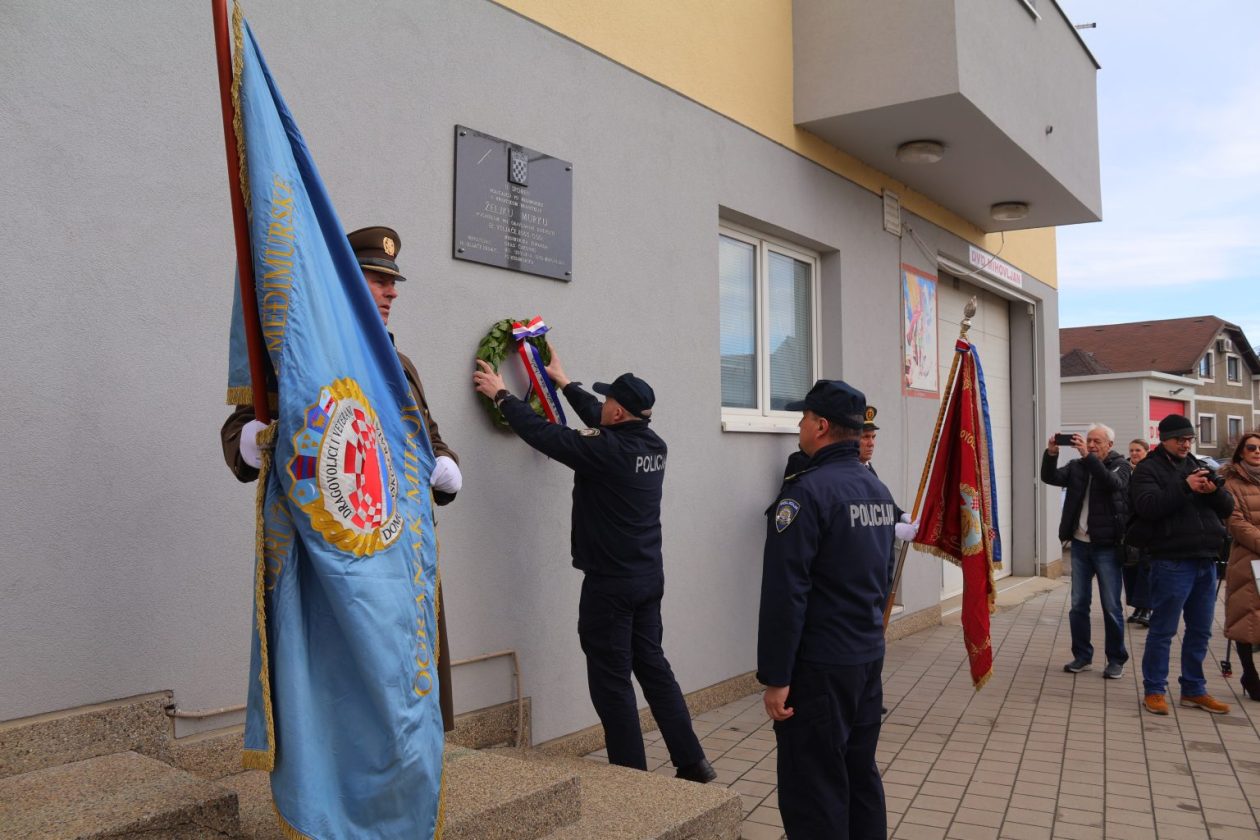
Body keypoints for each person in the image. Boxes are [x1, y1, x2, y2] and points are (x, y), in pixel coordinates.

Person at [221, 226, 464, 731]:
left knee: (408, 693)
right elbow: (237, 434)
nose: (392, 291)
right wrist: (263, 439)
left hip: (404, 560)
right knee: (345, 700)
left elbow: (428, 437)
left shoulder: (400, 365)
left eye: (393, 281)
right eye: (378, 279)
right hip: (340, 562)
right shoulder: (302, 358)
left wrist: (446, 466)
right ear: (345, 281)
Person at [470, 351, 715, 783]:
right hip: (647, 579)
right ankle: (693, 764)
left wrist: (503, 396)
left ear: (618, 411)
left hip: (611, 587)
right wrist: (564, 382)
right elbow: (597, 422)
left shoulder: (607, 452)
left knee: (611, 681)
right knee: (654, 668)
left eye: (607, 402)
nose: (601, 406)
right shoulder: (651, 444)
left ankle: (630, 781)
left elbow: (549, 436)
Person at [758, 379, 895, 839]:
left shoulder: (805, 495)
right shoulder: (877, 492)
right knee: (859, 772)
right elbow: (884, 575)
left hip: (819, 668)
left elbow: (785, 593)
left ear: (819, 426)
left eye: (802, 418)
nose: (798, 426)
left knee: (813, 787)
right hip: (864, 658)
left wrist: (776, 678)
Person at [1129, 414, 1235, 716]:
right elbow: (1148, 508)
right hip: (1170, 561)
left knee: (1201, 630)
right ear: (1164, 439)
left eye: (1189, 439)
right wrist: (1185, 487)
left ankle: (1193, 689)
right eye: (1180, 439)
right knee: (1163, 630)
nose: (1186, 444)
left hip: (1205, 560)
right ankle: (1154, 690)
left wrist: (1213, 492)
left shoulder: (1197, 465)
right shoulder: (1147, 469)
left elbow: (1227, 508)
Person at [1040, 424, 1131, 678]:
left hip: (1108, 547)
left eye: (1097, 441)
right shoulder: (1079, 467)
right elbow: (1051, 478)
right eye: (1088, 440)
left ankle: (1116, 659)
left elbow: (1112, 483)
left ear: (1109, 445)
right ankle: (1082, 655)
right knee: (1078, 604)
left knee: (1111, 606)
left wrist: (1088, 458)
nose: (1091, 445)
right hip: (1080, 545)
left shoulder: (1120, 465)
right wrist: (1051, 453)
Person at [1222, 432, 1260, 701]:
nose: (1257, 452)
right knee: (1245, 619)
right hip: (1247, 559)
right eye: (1252, 447)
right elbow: (1234, 522)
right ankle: (1250, 675)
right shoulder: (1230, 484)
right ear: (1241, 452)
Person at [1123, 438, 1153, 626]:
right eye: (1132, 450)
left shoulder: (1150, 470)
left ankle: (1147, 608)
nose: (1134, 453)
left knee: (1146, 568)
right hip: (1128, 526)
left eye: (1138, 450)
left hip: (1148, 527)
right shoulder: (1124, 470)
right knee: (1130, 567)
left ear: (1146, 452)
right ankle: (1137, 607)